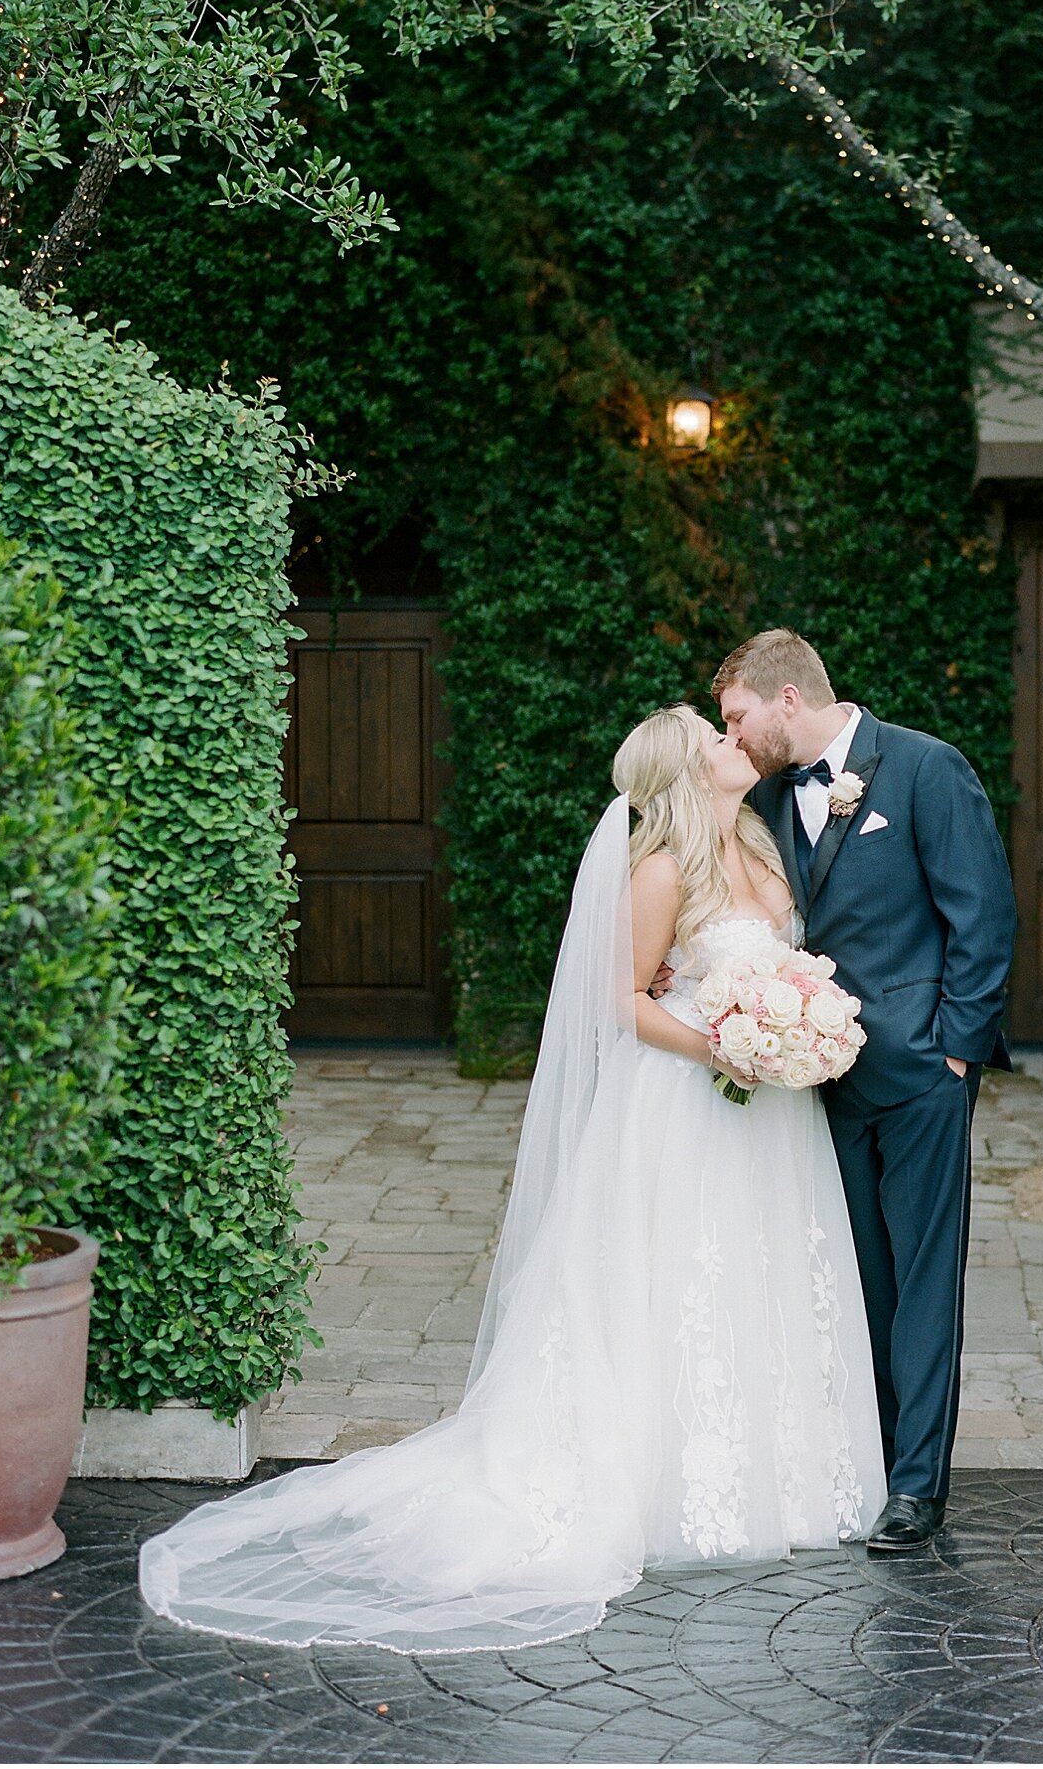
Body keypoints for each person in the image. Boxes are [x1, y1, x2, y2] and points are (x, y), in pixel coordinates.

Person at [138, 704, 884, 1655]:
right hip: (689, 1104)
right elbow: (625, 1001)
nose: (737, 743)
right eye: (718, 739)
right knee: (677, 1281)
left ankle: (785, 1476)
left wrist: (794, 1026)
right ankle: (673, 1485)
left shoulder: (765, 844)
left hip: (773, 1118)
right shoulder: (660, 868)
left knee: (760, 1274)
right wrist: (722, 1045)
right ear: (687, 774)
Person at [714, 629, 1016, 1554]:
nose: (733, 734)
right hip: (818, 1085)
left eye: (737, 716)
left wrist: (954, 1053)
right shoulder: (763, 799)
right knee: (856, 1280)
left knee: (925, 1282)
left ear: (788, 699)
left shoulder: (926, 768)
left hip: (922, 1072)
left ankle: (917, 1488)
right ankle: (871, 1463)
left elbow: (983, 912)